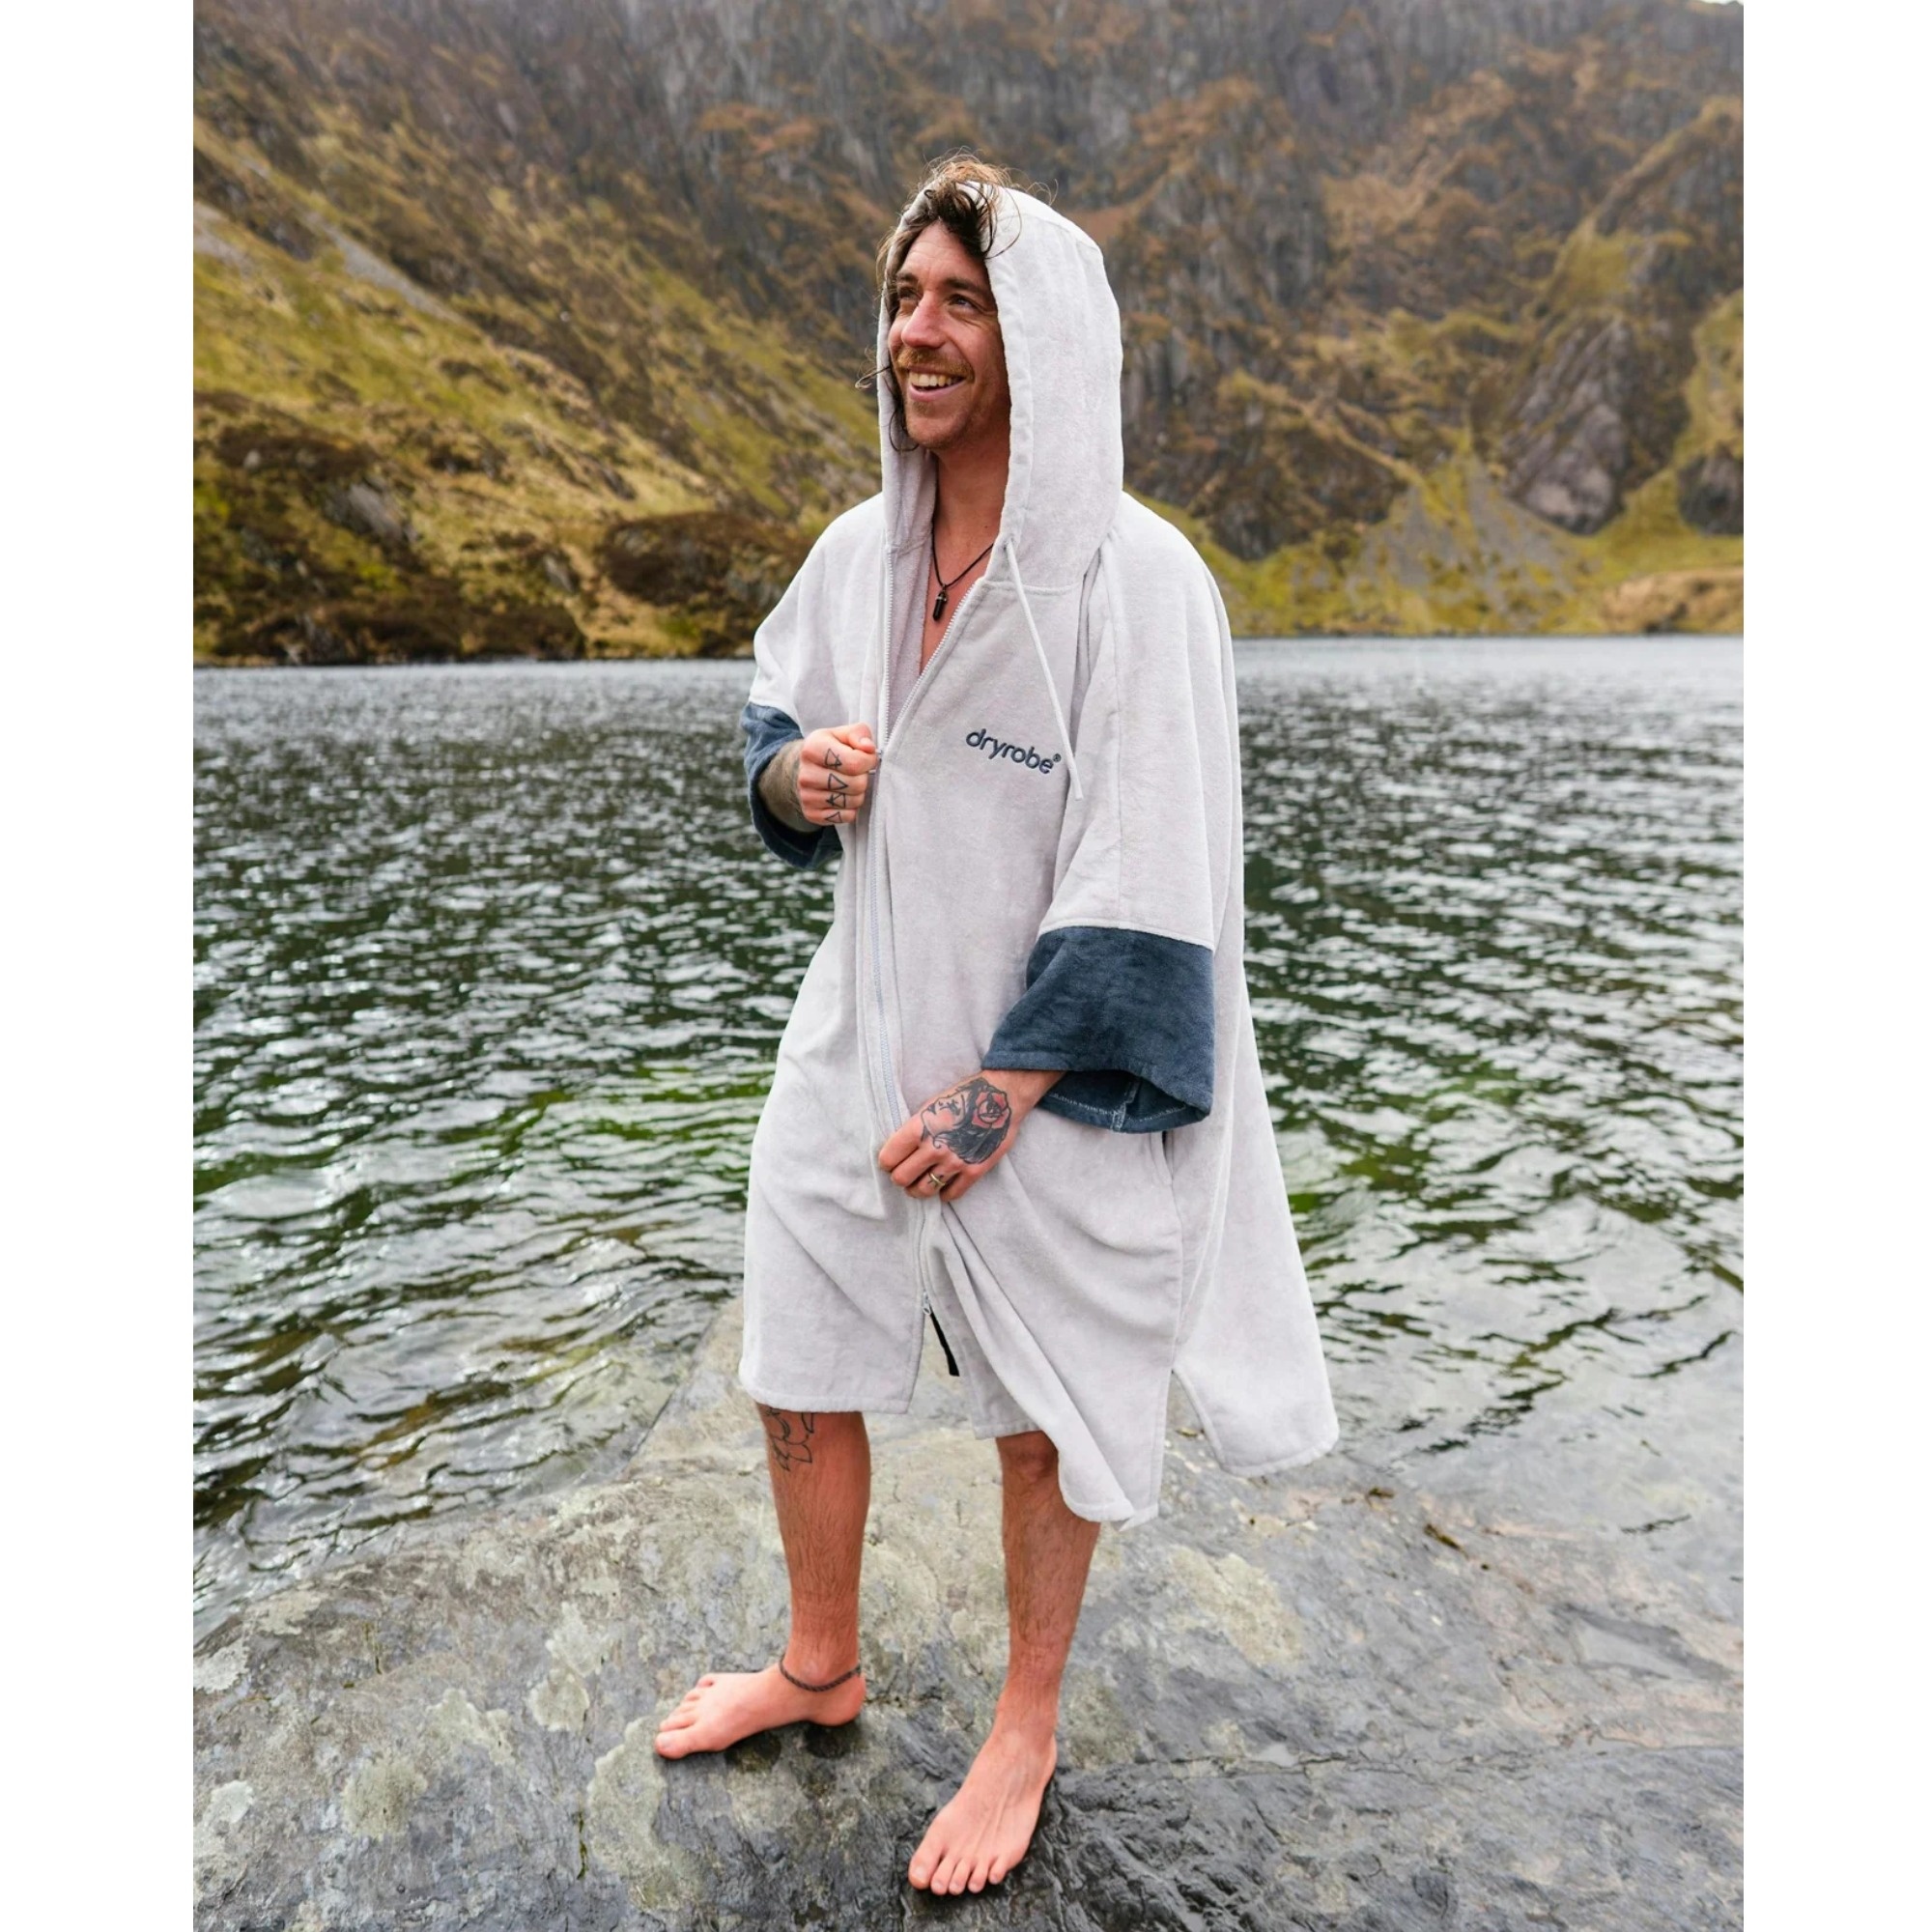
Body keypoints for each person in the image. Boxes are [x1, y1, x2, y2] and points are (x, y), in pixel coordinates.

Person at [653, 157, 1337, 1897]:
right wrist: (794, 781)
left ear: (1042, 334)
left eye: (962, 300)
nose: (921, 333)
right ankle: (821, 1663)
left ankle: (1024, 1726)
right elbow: (771, 726)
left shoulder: (1136, 579)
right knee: (798, 1342)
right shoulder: (858, 557)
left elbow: (1151, 855)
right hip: (855, 1031)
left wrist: (1000, 1092)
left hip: (1045, 1075)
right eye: (904, 300)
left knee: (1052, 1391)